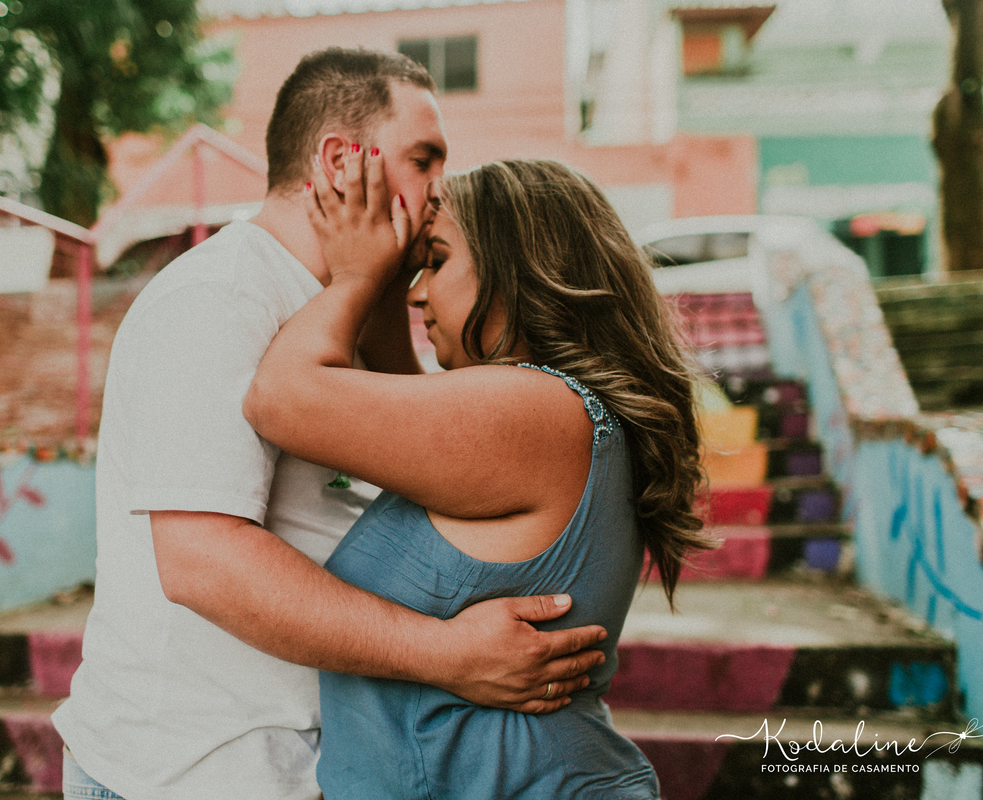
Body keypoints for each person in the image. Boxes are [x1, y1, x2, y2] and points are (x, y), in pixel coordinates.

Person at [52, 48, 610, 800]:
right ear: (341, 163)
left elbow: (423, 479)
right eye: (424, 160)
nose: (441, 191)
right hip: (189, 772)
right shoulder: (217, 300)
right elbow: (201, 562)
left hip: (302, 765)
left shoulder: (343, 306)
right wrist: (446, 654)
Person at [244, 154, 717, 798]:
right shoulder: (553, 418)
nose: (416, 291)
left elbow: (280, 400)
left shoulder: (538, 412)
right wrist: (386, 279)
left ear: (515, 270)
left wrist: (357, 276)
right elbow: (408, 408)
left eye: (436, 261)